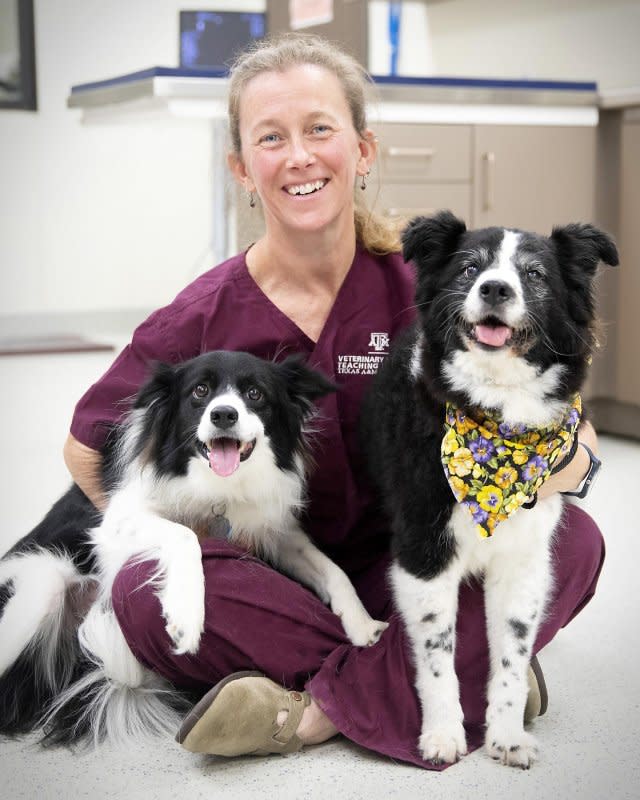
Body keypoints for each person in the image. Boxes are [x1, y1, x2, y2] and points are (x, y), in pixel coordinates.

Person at [63, 33, 604, 770]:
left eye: (320, 128)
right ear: (241, 168)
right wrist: (177, 527)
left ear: (364, 149)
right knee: (139, 594)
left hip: (422, 560)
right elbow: (86, 447)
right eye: (270, 138)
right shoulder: (201, 315)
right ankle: (462, 681)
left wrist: (566, 463)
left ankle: (312, 712)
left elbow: (564, 425)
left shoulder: (435, 285)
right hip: (281, 578)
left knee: (574, 542)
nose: (300, 156)